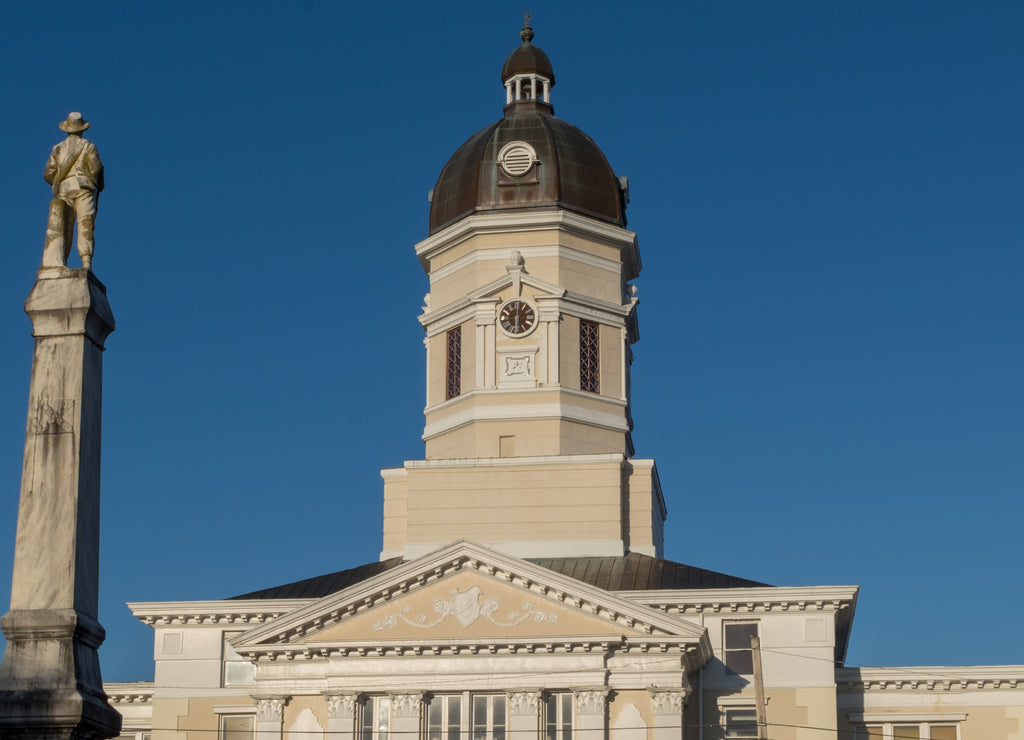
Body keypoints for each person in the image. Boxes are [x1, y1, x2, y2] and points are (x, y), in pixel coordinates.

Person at [43, 112, 104, 269]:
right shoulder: (89, 146)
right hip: (84, 188)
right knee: (85, 223)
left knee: (66, 226)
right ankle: (86, 262)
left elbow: (48, 173)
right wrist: (99, 183)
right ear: (82, 129)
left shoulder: (57, 149)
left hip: (65, 189)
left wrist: (60, 181)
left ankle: (63, 260)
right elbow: (96, 170)